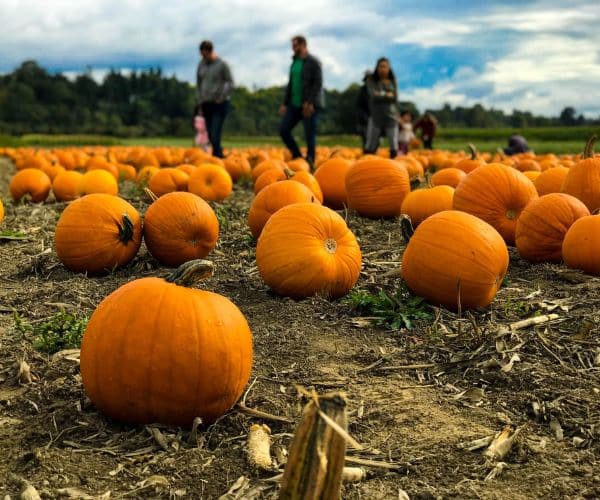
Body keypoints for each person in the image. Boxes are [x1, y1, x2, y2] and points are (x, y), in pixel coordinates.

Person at [279, 35, 324, 170]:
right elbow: (291, 84)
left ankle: (310, 162)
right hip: (294, 104)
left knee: (309, 134)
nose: (294, 48)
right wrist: (285, 103)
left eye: (296, 45)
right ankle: (298, 156)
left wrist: (309, 102)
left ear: (304, 45)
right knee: (283, 130)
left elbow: (318, 83)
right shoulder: (294, 62)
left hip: (309, 104)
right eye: (293, 46)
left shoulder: (313, 61)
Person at [196, 40, 234, 158]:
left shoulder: (222, 64)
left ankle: (218, 157)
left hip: (219, 104)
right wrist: (200, 103)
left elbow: (230, 82)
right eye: (202, 55)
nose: (203, 57)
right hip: (206, 104)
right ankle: (218, 154)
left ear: (210, 51)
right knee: (211, 136)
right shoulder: (201, 65)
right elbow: (199, 84)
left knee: (215, 132)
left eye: (205, 54)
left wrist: (221, 97)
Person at [363, 57, 399, 158]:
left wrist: (380, 94)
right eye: (380, 66)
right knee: (371, 143)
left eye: (385, 67)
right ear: (377, 68)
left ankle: (394, 167)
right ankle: (366, 164)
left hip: (391, 117)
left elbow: (395, 98)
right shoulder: (371, 80)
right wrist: (387, 94)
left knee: (393, 143)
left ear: (389, 68)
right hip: (376, 117)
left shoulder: (393, 81)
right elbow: (373, 95)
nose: (382, 69)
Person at [355, 70, 371, 150]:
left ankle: (372, 155)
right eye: (368, 79)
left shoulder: (376, 90)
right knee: (366, 138)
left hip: (375, 119)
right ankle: (366, 154)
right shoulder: (362, 91)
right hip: (364, 119)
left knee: (375, 140)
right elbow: (359, 106)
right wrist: (364, 118)